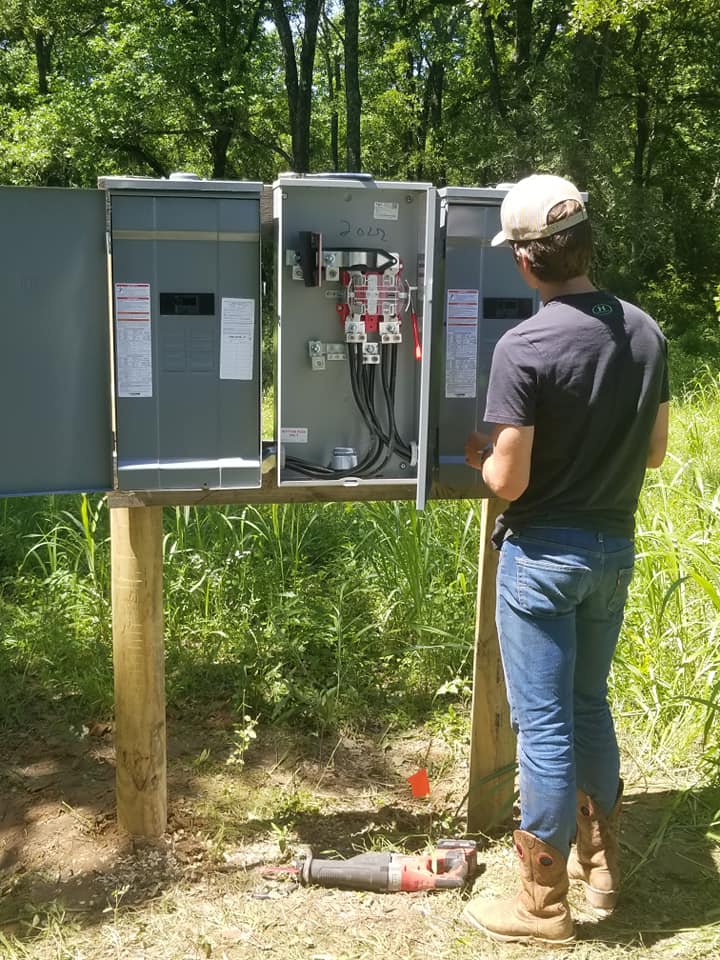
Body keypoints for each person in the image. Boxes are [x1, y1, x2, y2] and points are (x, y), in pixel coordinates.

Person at [462, 174, 670, 945]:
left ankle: (541, 906)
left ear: (524, 261)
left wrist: (481, 457)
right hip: (614, 550)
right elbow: (653, 453)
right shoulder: (646, 332)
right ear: (584, 243)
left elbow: (508, 479)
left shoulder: (525, 344)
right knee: (590, 707)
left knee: (545, 725)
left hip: (543, 557)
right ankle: (602, 868)